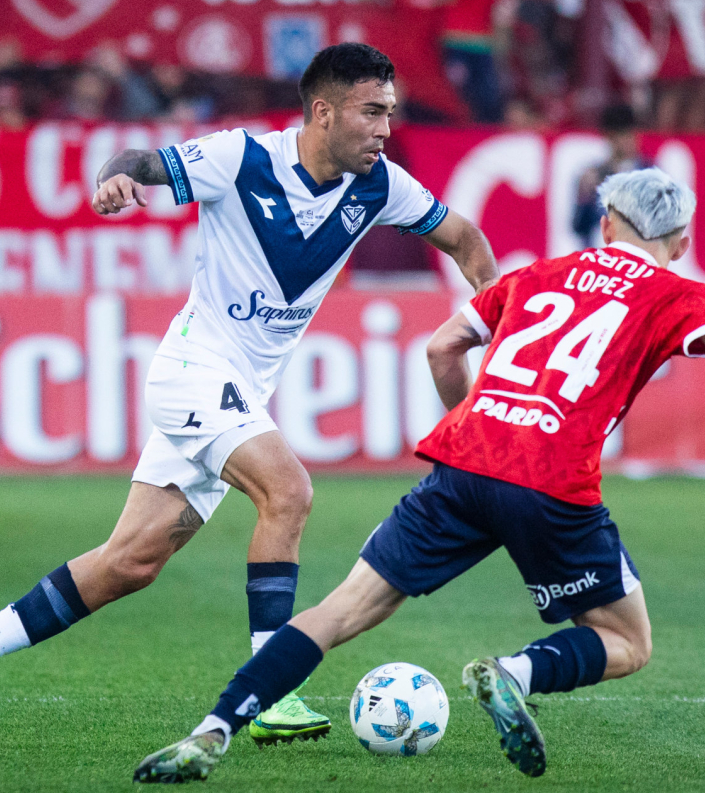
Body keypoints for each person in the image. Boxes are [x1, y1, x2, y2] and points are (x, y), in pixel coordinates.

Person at [0, 43, 499, 753]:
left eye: (390, 114)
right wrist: (113, 179)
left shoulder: (382, 186)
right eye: (371, 112)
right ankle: (269, 687)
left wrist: (492, 320)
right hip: (195, 370)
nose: (385, 129)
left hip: (237, 392)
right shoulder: (240, 159)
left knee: (129, 563)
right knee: (289, 491)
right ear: (323, 112)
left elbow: (465, 240)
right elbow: (138, 162)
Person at [132, 167, 700, 783]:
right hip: (552, 480)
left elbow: (442, 347)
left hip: (463, 463)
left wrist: (479, 424)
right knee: (627, 641)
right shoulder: (676, 296)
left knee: (341, 608)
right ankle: (515, 673)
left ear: (607, 225)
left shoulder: (537, 275)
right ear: (683, 243)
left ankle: (213, 730)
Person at [573, 104, 650, 249]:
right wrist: (584, 199)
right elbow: (579, 228)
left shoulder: (650, 175)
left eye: (633, 134)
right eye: (623, 134)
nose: (630, 140)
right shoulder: (594, 176)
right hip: (600, 255)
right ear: (610, 137)